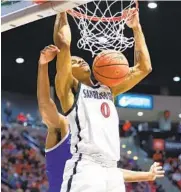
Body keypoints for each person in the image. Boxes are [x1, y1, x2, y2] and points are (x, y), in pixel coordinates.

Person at [42, 8, 164, 191]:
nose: (80, 61)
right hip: (86, 166)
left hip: (112, 168)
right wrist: (62, 9)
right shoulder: (70, 90)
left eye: (80, 59)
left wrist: (136, 28)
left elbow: (144, 68)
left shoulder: (108, 90)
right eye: (73, 62)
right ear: (67, 70)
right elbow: (64, 43)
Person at [37, 50, 72, 192]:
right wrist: (43, 65)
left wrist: (147, 175)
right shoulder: (63, 125)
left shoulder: (91, 134)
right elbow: (45, 103)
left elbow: (111, 173)